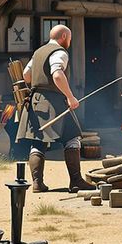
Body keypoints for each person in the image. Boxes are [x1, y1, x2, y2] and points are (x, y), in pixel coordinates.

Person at [18, 24, 94, 193]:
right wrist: (70, 96)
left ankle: (37, 184)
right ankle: (75, 181)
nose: (70, 41)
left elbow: (26, 75)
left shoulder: (38, 52)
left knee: (38, 142)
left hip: (36, 102)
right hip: (54, 102)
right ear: (64, 37)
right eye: (70, 38)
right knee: (72, 137)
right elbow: (57, 74)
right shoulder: (59, 52)